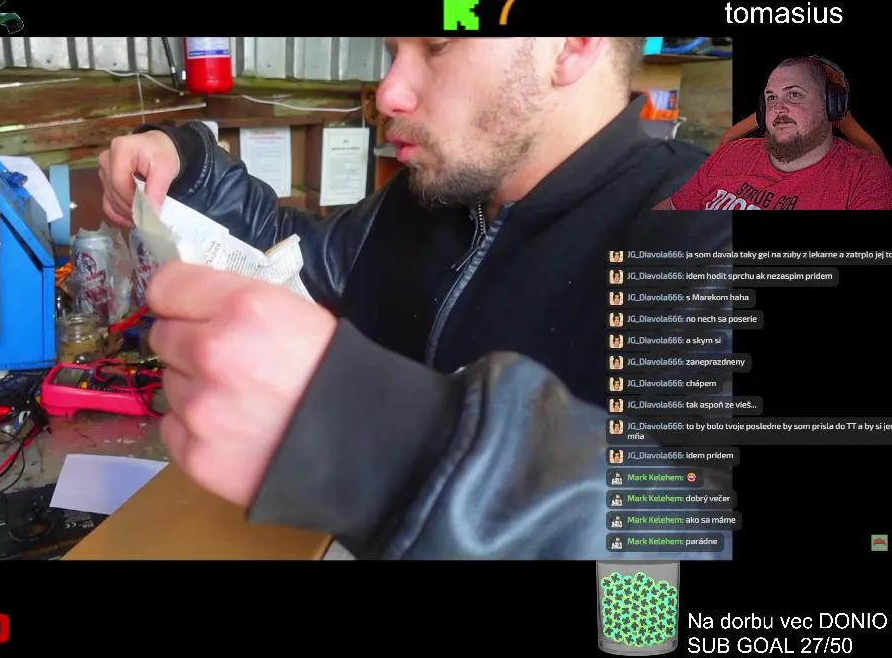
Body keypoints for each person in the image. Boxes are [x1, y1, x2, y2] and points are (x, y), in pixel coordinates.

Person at [99, 37, 731, 560]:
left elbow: (697, 548)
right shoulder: (423, 202)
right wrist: (187, 163)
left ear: (572, 46)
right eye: (391, 51)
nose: (389, 93)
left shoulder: (711, 236)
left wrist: (398, 452)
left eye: (437, 46)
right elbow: (283, 259)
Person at [658, 56, 892, 210]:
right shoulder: (731, 153)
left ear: (831, 105)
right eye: (771, 98)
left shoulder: (865, 176)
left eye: (794, 94)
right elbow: (670, 210)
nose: (778, 108)